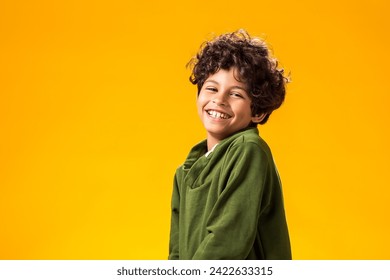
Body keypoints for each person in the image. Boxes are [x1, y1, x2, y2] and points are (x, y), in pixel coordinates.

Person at [168, 29, 291, 260]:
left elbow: (229, 239)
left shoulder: (248, 150)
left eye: (236, 94)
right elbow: (176, 252)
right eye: (212, 88)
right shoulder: (184, 173)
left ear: (258, 111)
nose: (219, 100)